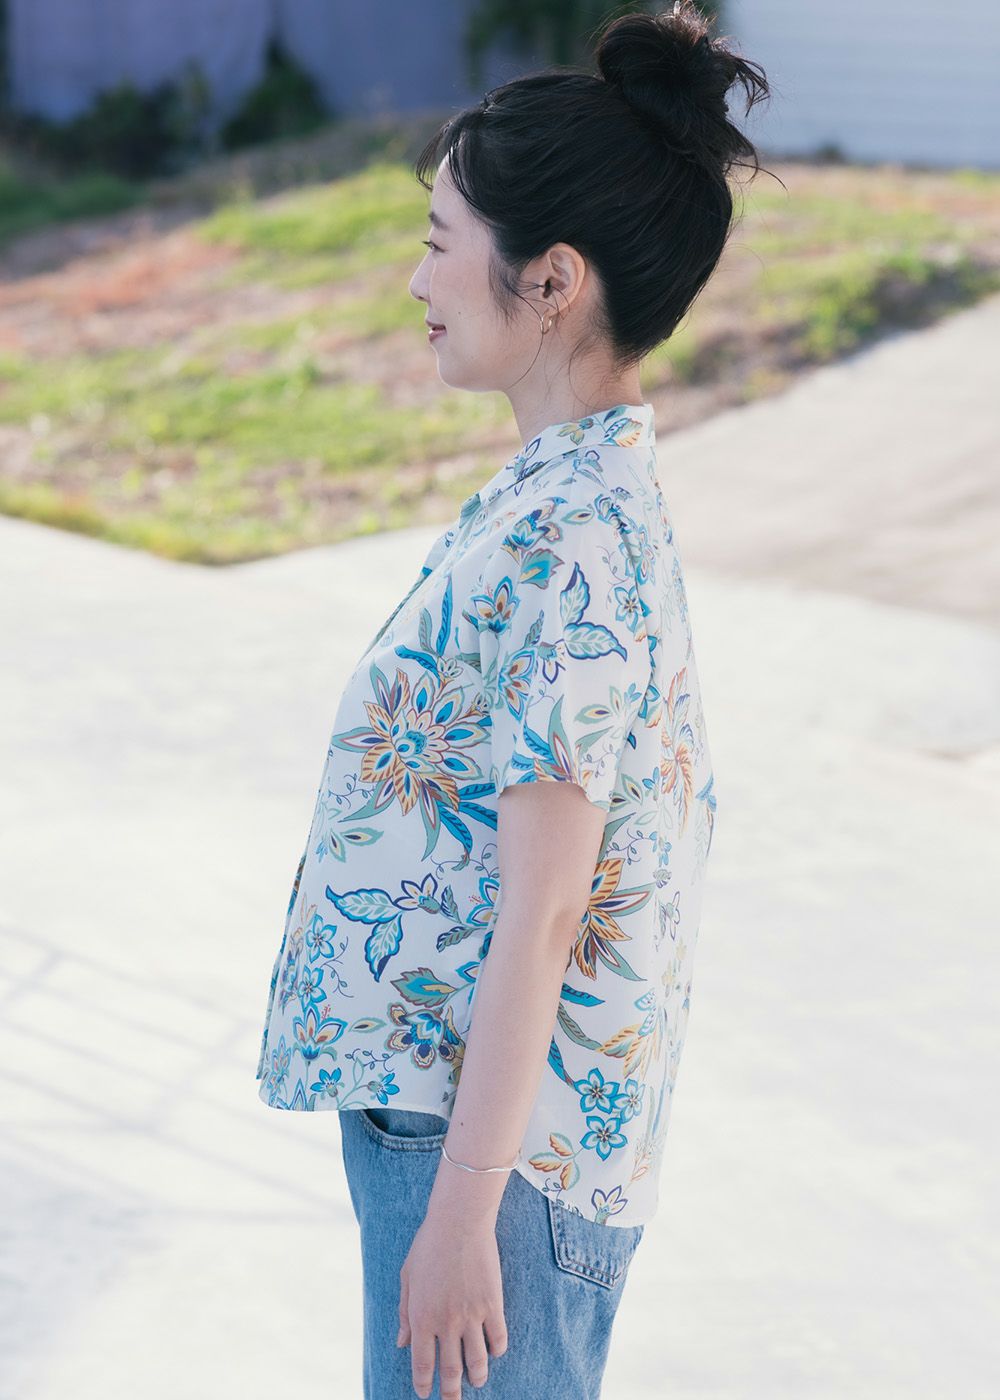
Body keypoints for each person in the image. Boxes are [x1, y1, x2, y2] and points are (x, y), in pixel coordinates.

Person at [255, 4, 771, 1395]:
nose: (414, 277)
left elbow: (550, 903)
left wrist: (461, 1218)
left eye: (440, 241)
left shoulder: (575, 541)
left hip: (494, 1169)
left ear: (550, 282)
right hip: (472, 1142)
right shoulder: (561, 498)